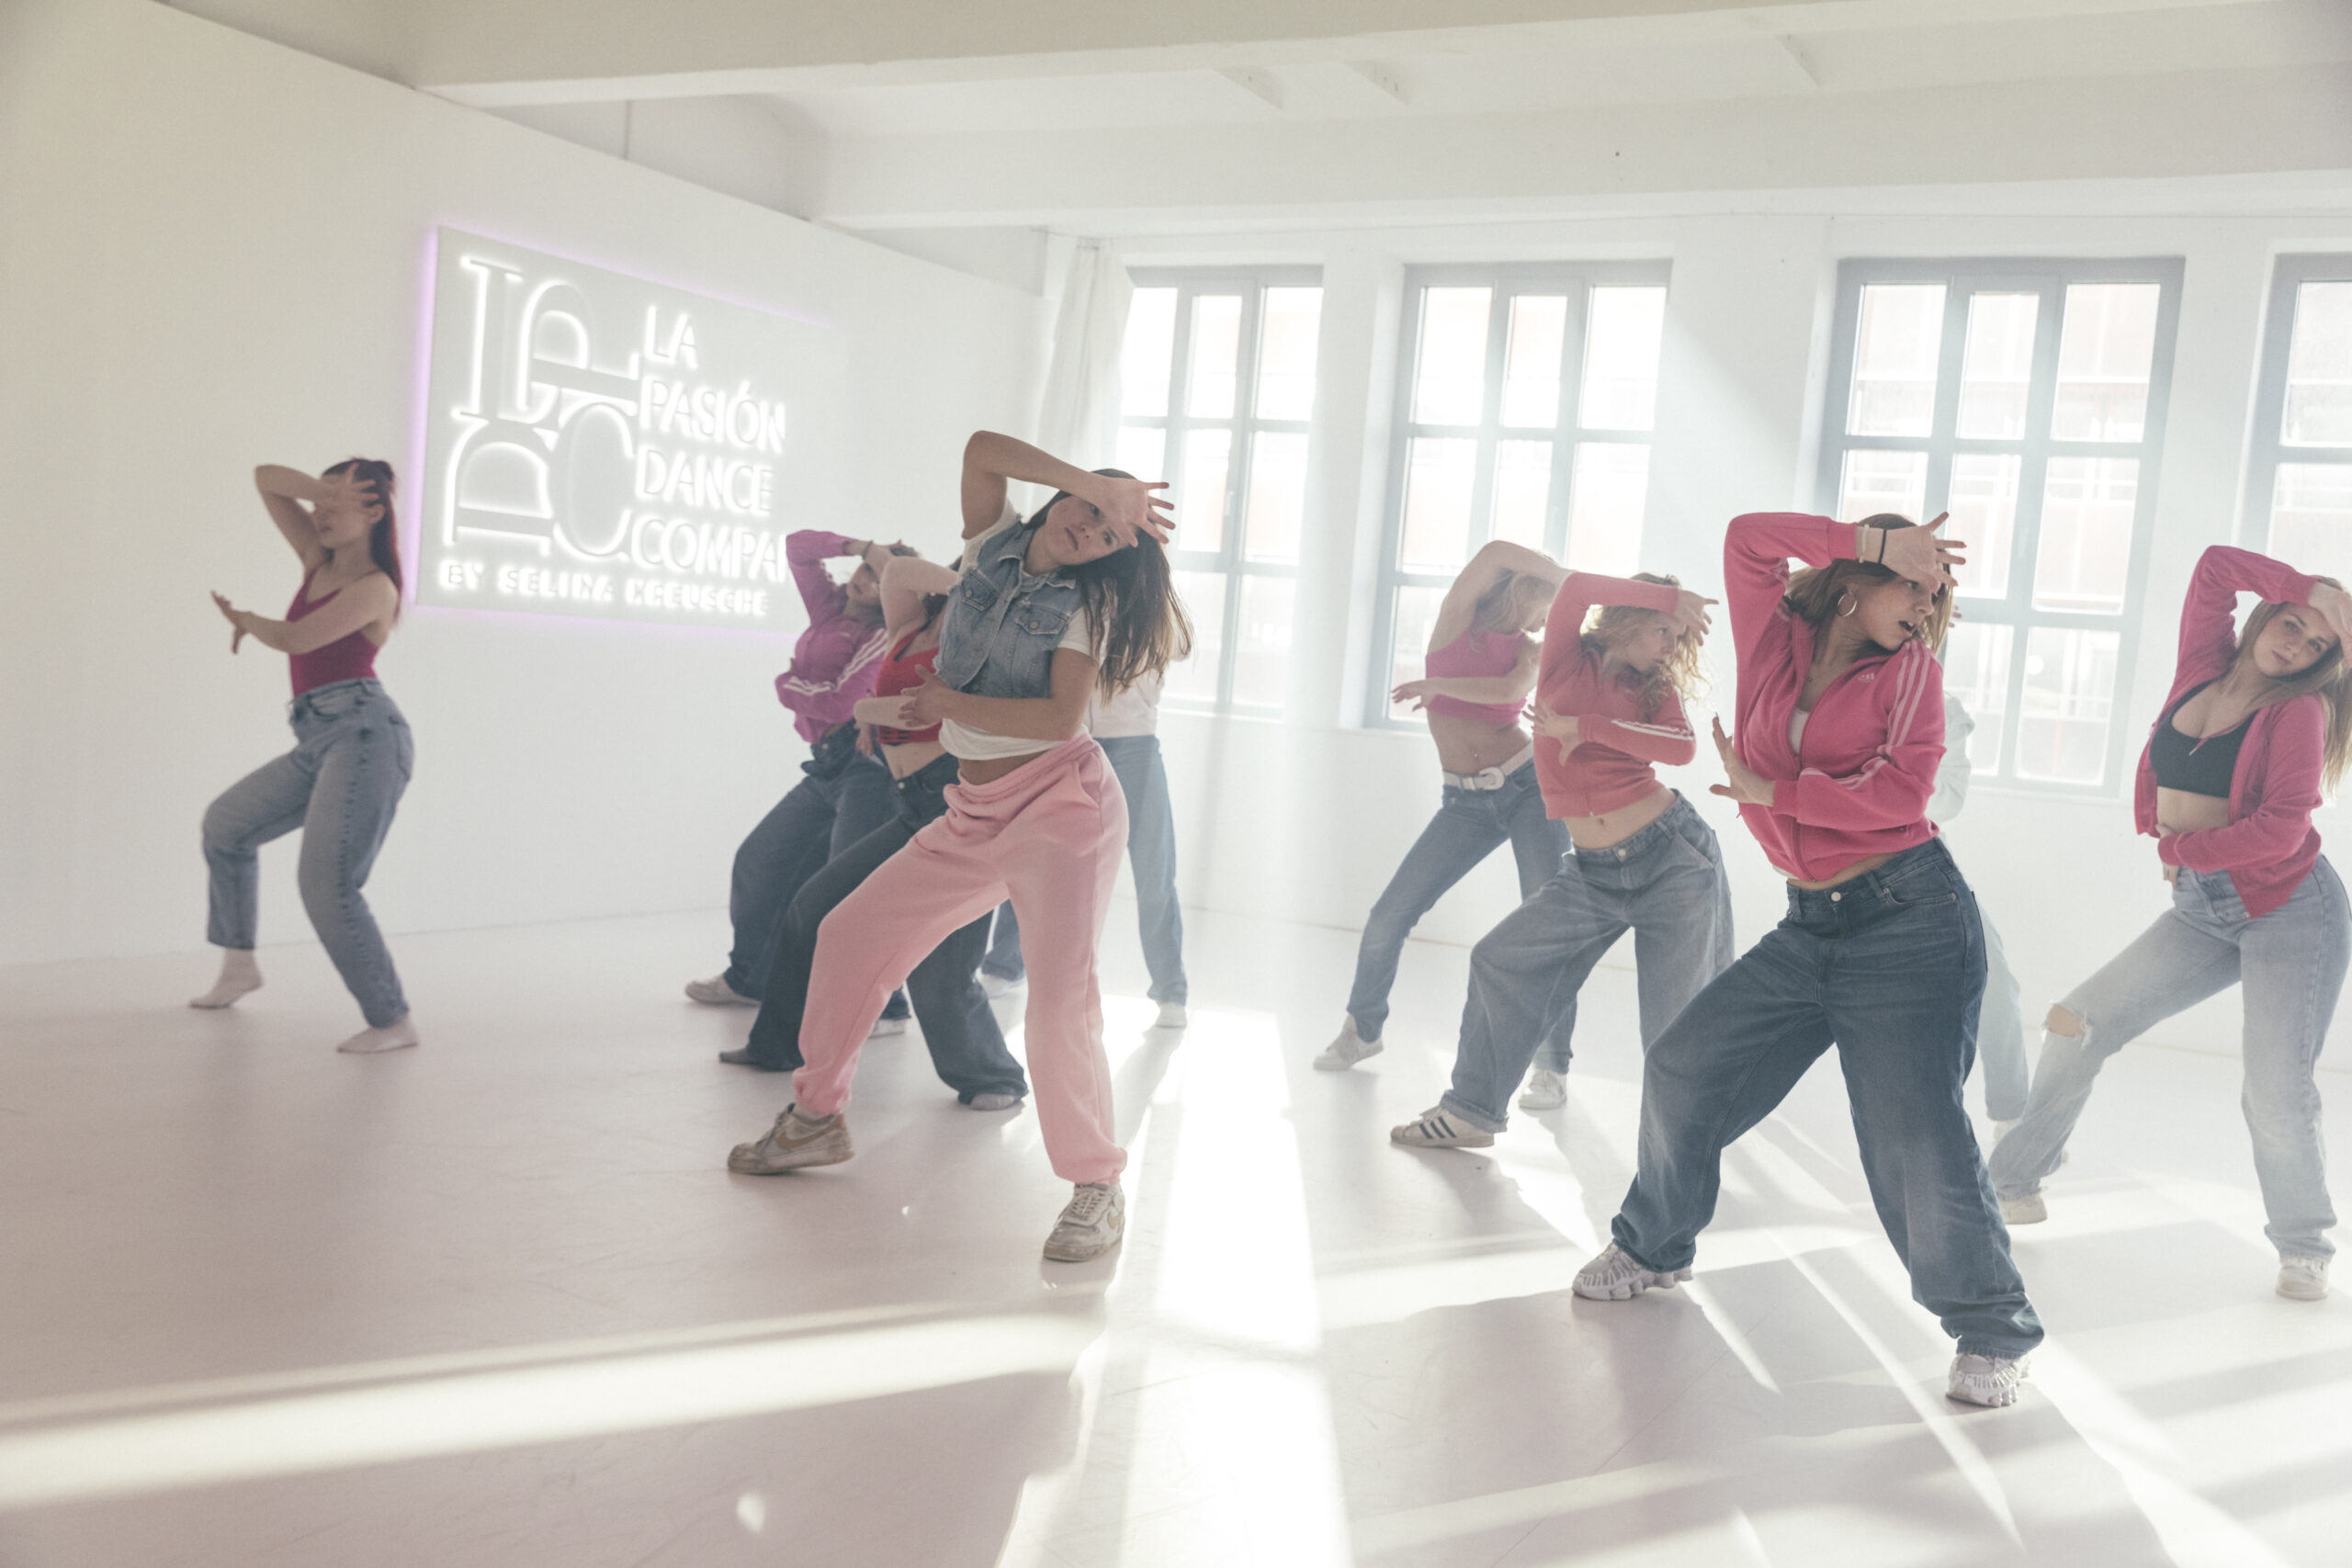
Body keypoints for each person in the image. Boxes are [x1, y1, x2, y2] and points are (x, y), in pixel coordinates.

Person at [1572, 510, 2044, 1411]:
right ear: (1851, 576)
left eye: (1933, 588)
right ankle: (1653, 1243)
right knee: (1684, 1065)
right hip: (1809, 922)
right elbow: (1750, 537)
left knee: (1912, 1139)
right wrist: (1876, 542)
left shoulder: (1913, 675)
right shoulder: (1777, 637)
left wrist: (1775, 791)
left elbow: (1904, 798)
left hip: (1909, 920)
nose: (1924, 600)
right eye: (1907, 580)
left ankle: (1993, 1330)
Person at [726, 433, 1192, 1265]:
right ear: (1063, 496)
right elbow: (981, 449)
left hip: (1062, 809)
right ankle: (817, 1117)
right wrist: (1098, 486)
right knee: (848, 933)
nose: (1090, 531)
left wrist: (947, 697)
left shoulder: (1085, 606)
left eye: (1112, 536)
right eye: (1087, 510)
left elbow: (1055, 721)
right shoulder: (989, 545)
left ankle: (1097, 1185)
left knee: (1059, 1003)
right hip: (975, 807)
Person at [1990, 547, 2352, 1303]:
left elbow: (2283, 831)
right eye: (2291, 623)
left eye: (2318, 643)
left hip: (2291, 909)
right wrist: (2312, 588)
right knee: (2075, 1021)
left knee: (2274, 1088)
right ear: (2267, 615)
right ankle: (2015, 1180)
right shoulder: (2202, 665)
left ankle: (2304, 1242)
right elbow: (2216, 567)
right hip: (2204, 906)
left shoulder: (2298, 712)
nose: (2297, 645)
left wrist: (2182, 847)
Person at [1389, 570, 1734, 1148]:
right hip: (1595, 872)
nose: (1671, 645)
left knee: (1673, 1030)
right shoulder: (1565, 659)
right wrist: (1674, 597)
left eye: (1678, 636)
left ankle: (1684, 1149)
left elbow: (1682, 748)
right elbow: (1574, 588)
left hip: (1672, 859)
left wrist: (1586, 728)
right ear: (1626, 617)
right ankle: (1472, 1111)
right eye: (1663, 630)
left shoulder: (1655, 687)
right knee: (1500, 960)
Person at [714, 552, 1032, 1111]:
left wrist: (868, 708)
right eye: (975, 569)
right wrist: (972, 585)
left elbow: (917, 713)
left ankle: (992, 1077)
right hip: (908, 800)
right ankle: (777, 1045)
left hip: (957, 806)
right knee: (813, 908)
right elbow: (899, 574)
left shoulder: (983, 643)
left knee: (941, 969)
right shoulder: (911, 624)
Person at [1317, 540, 1575, 1073]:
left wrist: (1437, 684)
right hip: (1464, 801)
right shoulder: (1457, 619)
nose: (1544, 620)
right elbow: (1496, 551)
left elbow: (1507, 687)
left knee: (1549, 925)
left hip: (1530, 789)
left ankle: (1552, 1064)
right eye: (1545, 604)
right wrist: (1566, 575)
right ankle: (1362, 1030)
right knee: (1390, 914)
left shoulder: (1530, 650)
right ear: (1528, 589)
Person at [195, 459, 417, 1054]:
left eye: (335, 506)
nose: (318, 514)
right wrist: (323, 491)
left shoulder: (375, 586)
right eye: (317, 503)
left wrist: (247, 619)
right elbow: (265, 477)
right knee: (226, 825)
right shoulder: (316, 561)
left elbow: (297, 638)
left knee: (326, 882)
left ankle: (391, 1019)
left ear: (374, 511)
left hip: (365, 734)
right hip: (317, 736)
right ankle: (239, 962)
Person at [684, 531, 915, 1034]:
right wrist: (862, 547)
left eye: (878, 580)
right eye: (865, 571)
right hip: (829, 763)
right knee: (760, 861)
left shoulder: (882, 637)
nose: (863, 581)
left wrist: (787, 685)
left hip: (867, 770)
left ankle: (890, 1005)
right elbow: (797, 547)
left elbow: (838, 702)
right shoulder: (830, 611)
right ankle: (750, 979)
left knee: (853, 889)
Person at [974, 670, 1191, 1032]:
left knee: (1155, 871)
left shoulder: (1149, 609)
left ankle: (1171, 992)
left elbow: (1178, 645)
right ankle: (1005, 965)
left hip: (1134, 740)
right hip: (1066, 738)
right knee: (1032, 853)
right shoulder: (1076, 608)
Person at [1928, 688, 2030, 1133]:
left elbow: (1946, 803)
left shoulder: (1943, 705)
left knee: (1997, 981)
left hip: (1924, 857)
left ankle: (2011, 1116)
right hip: (1841, 868)